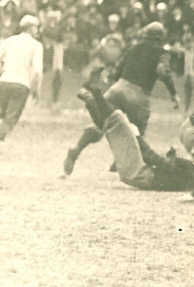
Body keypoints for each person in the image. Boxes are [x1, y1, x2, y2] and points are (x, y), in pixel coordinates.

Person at [63, 22, 178, 176]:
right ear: (161, 37)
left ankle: (77, 149)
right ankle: (120, 160)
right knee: (136, 131)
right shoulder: (162, 53)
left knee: (101, 122)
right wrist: (173, 94)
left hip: (118, 88)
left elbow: (117, 71)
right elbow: (163, 72)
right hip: (138, 95)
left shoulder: (133, 48)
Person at [74, 84, 194, 192]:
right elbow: (165, 166)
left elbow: (152, 157)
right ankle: (90, 100)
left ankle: (95, 94)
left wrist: (139, 139)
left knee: (118, 120)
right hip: (136, 174)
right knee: (111, 127)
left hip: (138, 173)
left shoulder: (190, 172)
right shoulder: (190, 175)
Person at [0, 14, 45, 158]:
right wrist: (37, 90)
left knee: (2, 111)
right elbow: (37, 71)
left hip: (4, 81)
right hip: (21, 85)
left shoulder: (9, 41)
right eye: (36, 27)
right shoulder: (36, 46)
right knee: (10, 119)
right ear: (31, 28)